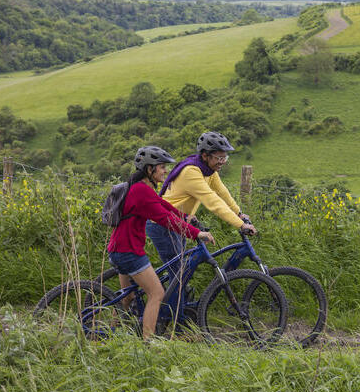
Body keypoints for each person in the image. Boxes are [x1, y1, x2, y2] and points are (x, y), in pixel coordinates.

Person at [106, 145, 214, 340]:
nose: (165, 171)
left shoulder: (139, 187)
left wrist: (185, 215)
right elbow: (165, 219)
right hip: (129, 252)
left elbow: (164, 205)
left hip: (117, 250)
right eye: (162, 167)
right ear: (149, 169)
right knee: (156, 293)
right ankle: (148, 343)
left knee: (127, 297)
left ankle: (106, 334)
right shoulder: (141, 191)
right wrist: (196, 234)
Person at [147, 131, 256, 274]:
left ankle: (173, 293)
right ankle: (161, 294)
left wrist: (239, 213)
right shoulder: (191, 172)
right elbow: (213, 202)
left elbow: (222, 193)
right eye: (219, 157)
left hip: (180, 221)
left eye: (225, 157)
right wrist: (240, 224)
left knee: (181, 273)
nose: (223, 161)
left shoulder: (209, 171)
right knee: (178, 274)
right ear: (205, 155)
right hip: (163, 223)